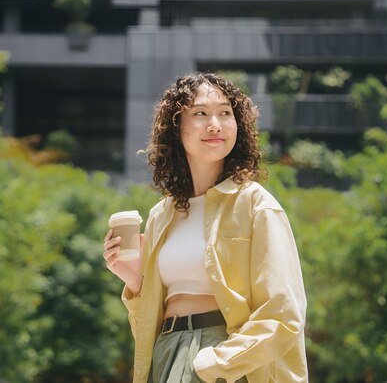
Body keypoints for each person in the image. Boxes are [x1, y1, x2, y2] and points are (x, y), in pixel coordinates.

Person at [103, 72, 308, 383]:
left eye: (225, 113)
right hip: (166, 352)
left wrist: (214, 363)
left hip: (226, 356)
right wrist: (134, 281)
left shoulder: (255, 204)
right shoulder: (161, 215)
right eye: (200, 113)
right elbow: (147, 326)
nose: (216, 124)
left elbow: (283, 314)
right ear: (176, 128)